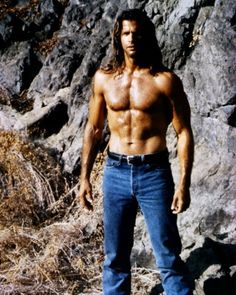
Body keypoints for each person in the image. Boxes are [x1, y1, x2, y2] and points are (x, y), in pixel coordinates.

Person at [78, 9, 194, 295]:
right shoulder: (104, 79)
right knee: (115, 257)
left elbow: (183, 132)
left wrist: (183, 183)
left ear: (146, 36)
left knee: (167, 255)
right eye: (126, 33)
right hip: (115, 172)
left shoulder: (164, 80)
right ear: (118, 36)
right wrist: (84, 178)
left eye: (137, 33)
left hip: (154, 173)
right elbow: (94, 130)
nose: (131, 39)